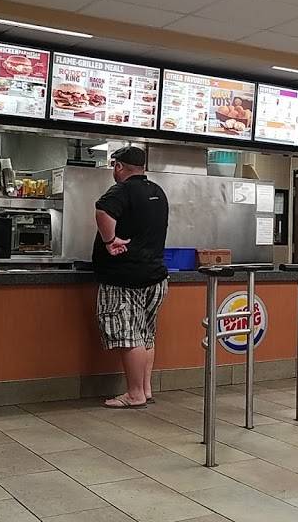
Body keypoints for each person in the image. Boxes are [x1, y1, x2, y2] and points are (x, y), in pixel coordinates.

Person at [93, 146, 169, 409]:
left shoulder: (121, 190)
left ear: (119, 166)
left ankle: (135, 394)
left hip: (125, 277)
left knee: (129, 336)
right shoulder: (157, 191)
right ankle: (145, 390)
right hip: (155, 276)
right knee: (146, 335)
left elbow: (102, 211)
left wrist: (109, 241)